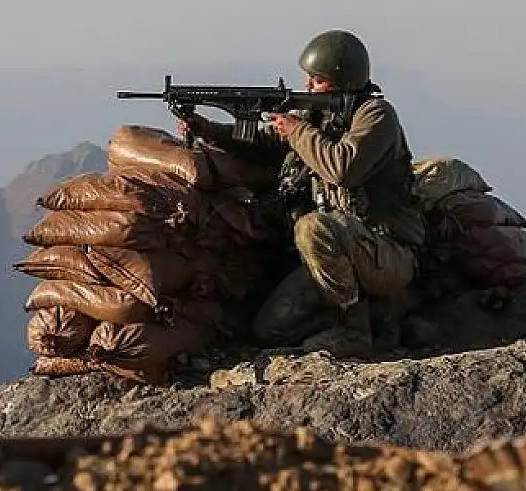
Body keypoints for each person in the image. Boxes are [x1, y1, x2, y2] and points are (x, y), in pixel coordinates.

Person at [177, 29, 425, 357]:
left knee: (311, 228)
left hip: (386, 251)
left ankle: (355, 332)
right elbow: (265, 143)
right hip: (336, 254)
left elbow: (342, 168)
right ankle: (375, 318)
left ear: (343, 82)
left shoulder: (376, 116)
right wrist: (207, 129)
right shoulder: (318, 116)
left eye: (317, 80)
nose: (307, 86)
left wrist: (298, 131)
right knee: (271, 329)